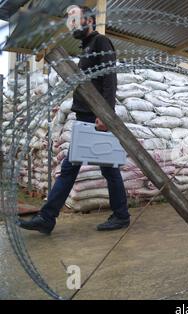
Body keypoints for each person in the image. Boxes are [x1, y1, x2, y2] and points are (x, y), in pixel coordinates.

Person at [19, 5, 130, 235]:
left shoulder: (101, 43)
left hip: (95, 120)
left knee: (89, 170)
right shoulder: (87, 47)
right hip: (85, 118)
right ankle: (50, 217)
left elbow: (109, 79)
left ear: (89, 20)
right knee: (90, 169)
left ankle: (49, 217)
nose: (73, 27)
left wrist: (105, 115)